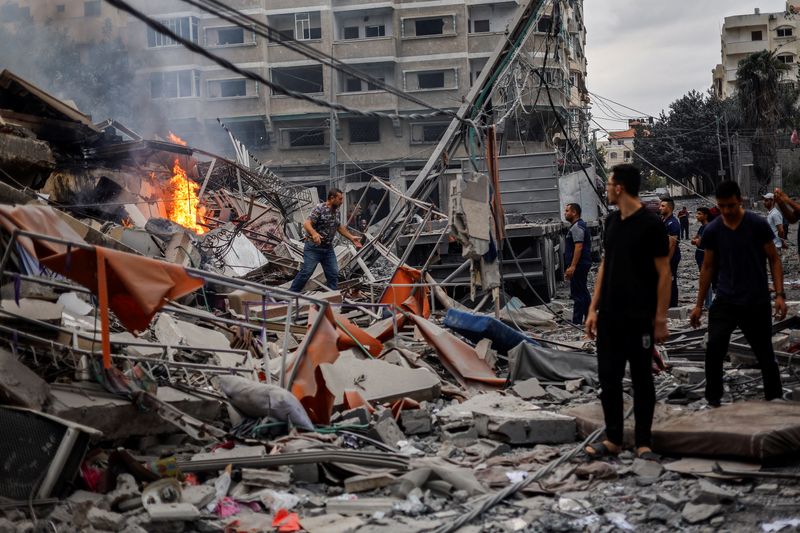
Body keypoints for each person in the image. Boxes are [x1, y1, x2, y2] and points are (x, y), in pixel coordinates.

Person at [584, 164, 671, 461]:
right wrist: (593, 309)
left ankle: (644, 442)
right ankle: (613, 439)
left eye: (608, 184)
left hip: (640, 317)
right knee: (608, 379)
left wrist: (660, 318)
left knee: (642, 380)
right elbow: (605, 267)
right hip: (609, 316)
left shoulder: (651, 223)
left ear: (619, 187)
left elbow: (664, 274)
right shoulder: (611, 222)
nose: (606, 189)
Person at [690, 181, 785, 407]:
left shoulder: (757, 224)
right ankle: (713, 401)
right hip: (725, 300)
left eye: (731, 206)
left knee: (764, 352)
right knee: (714, 348)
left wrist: (780, 294)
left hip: (756, 300)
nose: (726, 211)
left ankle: (775, 398)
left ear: (739, 201)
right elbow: (708, 267)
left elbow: (774, 259)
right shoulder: (713, 230)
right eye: (721, 206)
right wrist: (698, 304)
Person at [289, 188, 363, 292]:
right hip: (313, 249)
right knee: (306, 272)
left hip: (328, 250)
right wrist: (314, 234)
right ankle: (291, 294)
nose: (342, 202)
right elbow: (307, 223)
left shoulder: (336, 211)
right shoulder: (319, 208)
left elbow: (338, 226)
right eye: (340, 199)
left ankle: (332, 297)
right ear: (332, 198)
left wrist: (351, 237)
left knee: (333, 274)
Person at [563, 202, 592, 325]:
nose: (565, 213)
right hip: (582, 264)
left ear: (574, 212)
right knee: (583, 291)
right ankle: (589, 318)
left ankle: (577, 322)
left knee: (578, 294)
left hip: (579, 265)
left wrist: (573, 266)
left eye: (567, 211)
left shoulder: (577, 227)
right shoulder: (579, 225)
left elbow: (578, 247)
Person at [659, 197, 682, 307]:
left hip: (671, 257)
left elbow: (672, 245)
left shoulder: (673, 223)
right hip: (664, 257)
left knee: (671, 280)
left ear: (669, 208)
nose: (660, 208)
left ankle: (672, 305)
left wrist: (667, 261)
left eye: (663, 206)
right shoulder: (663, 220)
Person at [691, 207, 714, 309]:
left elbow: (699, 242)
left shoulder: (707, 227)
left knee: (706, 280)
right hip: (700, 257)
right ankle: (707, 303)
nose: (697, 216)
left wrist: (696, 241)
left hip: (705, 257)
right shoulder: (702, 227)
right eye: (697, 213)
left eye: (699, 214)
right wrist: (696, 241)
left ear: (705, 215)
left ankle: (708, 303)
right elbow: (695, 239)